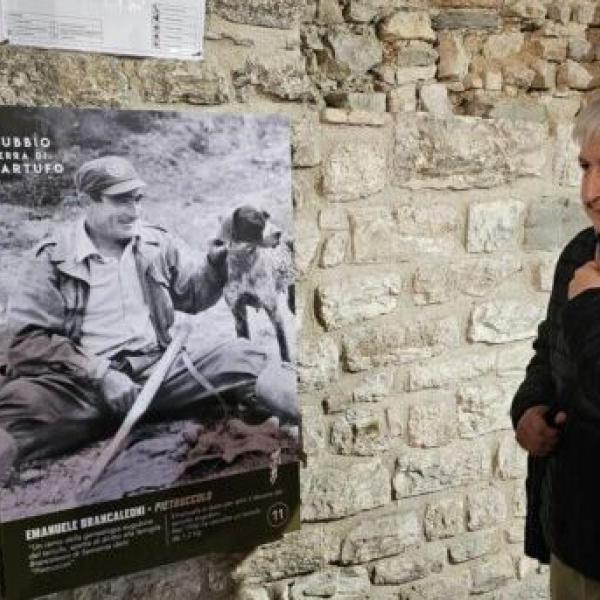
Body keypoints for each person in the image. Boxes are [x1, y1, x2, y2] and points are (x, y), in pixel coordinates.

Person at [0, 155, 298, 483]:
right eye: (120, 200)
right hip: (82, 388)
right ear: (88, 201)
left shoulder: (154, 244)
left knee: (243, 357)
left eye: (137, 199)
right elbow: (23, 341)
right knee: (18, 403)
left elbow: (193, 296)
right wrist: (100, 374)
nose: (134, 211)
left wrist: (214, 267)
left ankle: (306, 420)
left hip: (158, 373)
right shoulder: (51, 259)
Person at [512, 96, 600, 598]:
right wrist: (528, 408)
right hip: (571, 530)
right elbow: (549, 351)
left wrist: (590, 305)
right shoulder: (579, 252)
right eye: (586, 167)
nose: (590, 192)